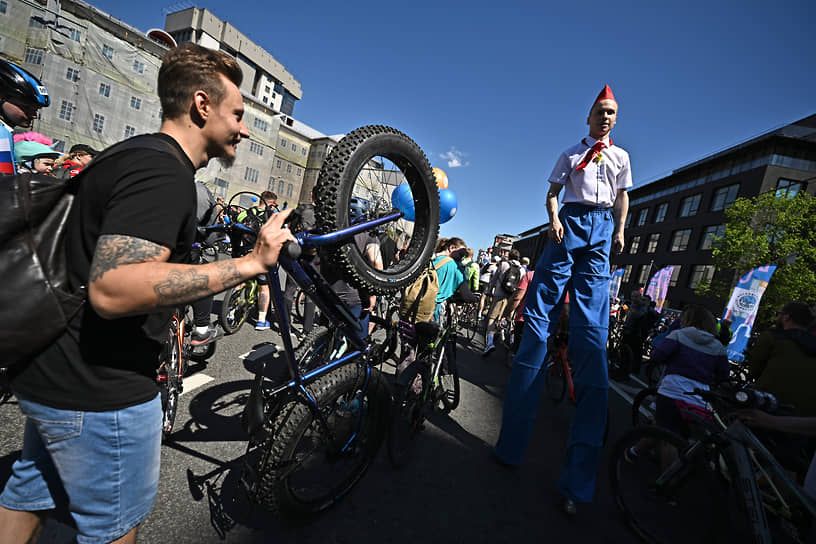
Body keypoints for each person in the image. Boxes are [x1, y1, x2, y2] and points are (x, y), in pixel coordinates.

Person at [0, 42, 295, 544]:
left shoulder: (132, 153)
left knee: (30, 491)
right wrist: (249, 264)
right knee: (112, 528)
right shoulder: (163, 173)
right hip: (102, 390)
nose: (244, 129)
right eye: (238, 114)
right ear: (202, 105)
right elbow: (115, 288)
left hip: (57, 373)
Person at [494, 85, 631, 516]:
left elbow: (623, 195)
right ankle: (510, 447)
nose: (606, 118)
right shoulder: (571, 153)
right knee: (538, 320)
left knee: (593, 335)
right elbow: (552, 192)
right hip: (568, 223)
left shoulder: (621, 157)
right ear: (589, 116)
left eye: (611, 113)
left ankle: (577, 480)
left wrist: (621, 229)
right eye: (600, 112)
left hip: (601, 228)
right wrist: (553, 219)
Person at [625, 306, 729, 467]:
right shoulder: (717, 346)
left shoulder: (679, 335)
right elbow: (723, 374)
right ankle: (634, 452)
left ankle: (666, 480)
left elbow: (657, 356)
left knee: (667, 435)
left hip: (672, 389)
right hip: (700, 397)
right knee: (668, 428)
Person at [747, 301, 816, 416]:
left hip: (769, 405)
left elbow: (754, 370)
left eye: (778, 314)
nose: (777, 317)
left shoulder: (772, 337)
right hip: (804, 415)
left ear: (786, 317)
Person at [0, 59, 50, 175]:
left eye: (36, 110)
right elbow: (6, 186)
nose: (34, 115)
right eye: (26, 107)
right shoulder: (2, 133)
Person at [244, 190, 280, 331]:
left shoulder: (246, 212)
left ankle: (231, 311)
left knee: (240, 282)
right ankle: (261, 320)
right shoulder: (271, 216)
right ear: (270, 203)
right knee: (264, 287)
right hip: (261, 255)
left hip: (244, 252)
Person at [483, 249, 522, 356]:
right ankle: (511, 342)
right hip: (512, 297)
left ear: (509, 256)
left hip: (499, 295)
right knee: (511, 320)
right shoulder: (521, 269)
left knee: (492, 318)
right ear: (518, 258)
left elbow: (494, 279)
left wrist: (489, 291)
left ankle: (490, 343)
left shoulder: (503, 264)